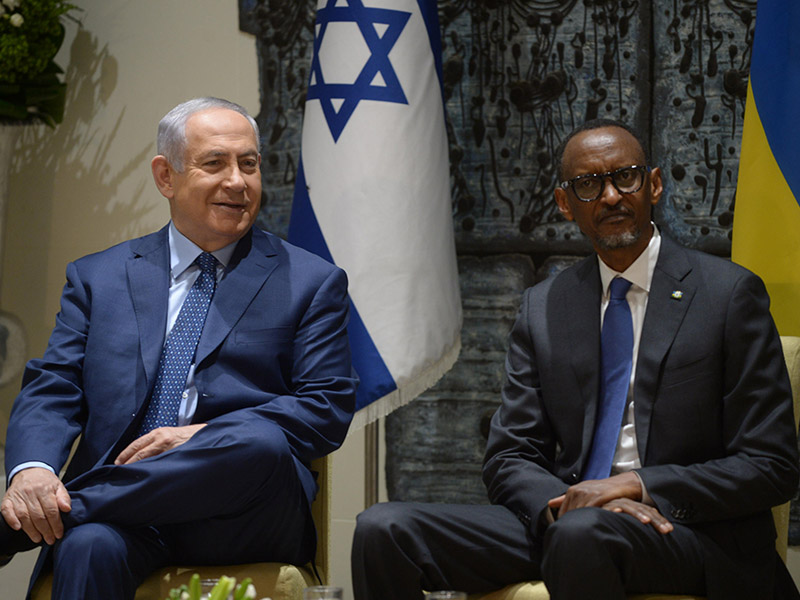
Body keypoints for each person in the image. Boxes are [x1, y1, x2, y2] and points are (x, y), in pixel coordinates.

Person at [351, 119, 800, 600]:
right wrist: (561, 505)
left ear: (653, 184)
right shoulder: (545, 306)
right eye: (588, 184)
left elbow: (771, 464)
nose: (610, 196)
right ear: (566, 204)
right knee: (384, 528)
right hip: (566, 520)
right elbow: (509, 455)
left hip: (688, 535)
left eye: (624, 176)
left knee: (583, 535)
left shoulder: (727, 295)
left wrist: (635, 487)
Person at [1, 97, 357, 599]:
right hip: (127, 517)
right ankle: (78, 509)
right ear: (166, 176)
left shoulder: (310, 282)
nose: (237, 181)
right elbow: (54, 387)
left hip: (242, 513)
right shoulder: (98, 277)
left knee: (260, 441)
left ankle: (57, 511)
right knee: (86, 548)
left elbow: (326, 406)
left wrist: (202, 436)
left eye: (249, 164)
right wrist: (33, 470)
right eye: (215, 163)